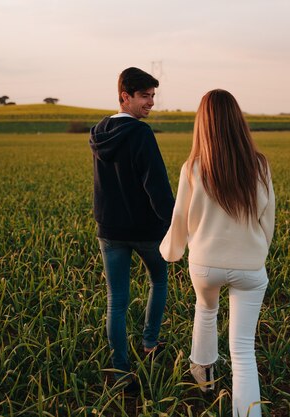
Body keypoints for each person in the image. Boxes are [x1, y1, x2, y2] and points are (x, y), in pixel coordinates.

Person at [160, 89, 275, 417]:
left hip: (205, 264)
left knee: (205, 309)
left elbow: (180, 217)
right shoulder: (259, 165)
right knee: (242, 350)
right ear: (238, 121)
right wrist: (257, 251)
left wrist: (172, 250)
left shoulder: (193, 167)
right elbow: (268, 218)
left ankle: (204, 378)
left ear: (202, 124)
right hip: (250, 266)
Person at [89, 67, 174, 392]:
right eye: (144, 96)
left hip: (109, 230)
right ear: (125, 96)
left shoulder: (98, 131)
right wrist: (174, 225)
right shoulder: (141, 133)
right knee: (159, 280)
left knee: (117, 300)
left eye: (153, 95)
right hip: (146, 230)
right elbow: (157, 186)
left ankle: (120, 370)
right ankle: (150, 343)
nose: (150, 102)